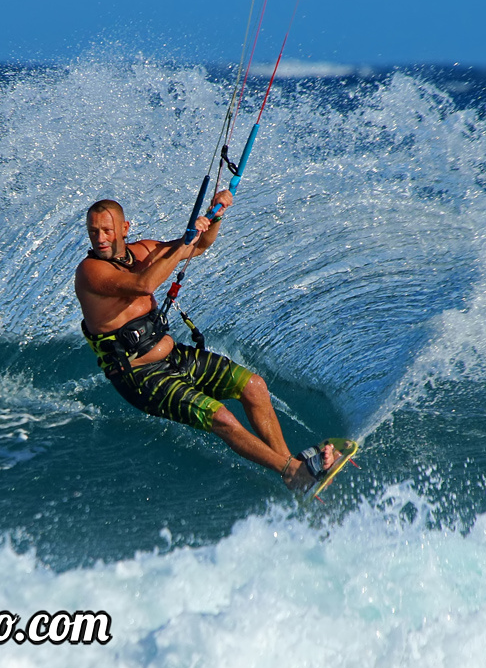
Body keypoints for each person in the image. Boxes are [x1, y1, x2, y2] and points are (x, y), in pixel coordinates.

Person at [74, 191, 336, 491]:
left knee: (254, 386)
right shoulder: (90, 271)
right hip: (139, 377)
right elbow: (143, 284)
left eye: (107, 230)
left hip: (173, 357)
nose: (100, 238)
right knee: (221, 417)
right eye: (93, 231)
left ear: (125, 228)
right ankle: (294, 472)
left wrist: (214, 214)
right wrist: (183, 242)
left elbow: (201, 246)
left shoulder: (145, 250)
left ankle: (294, 471)